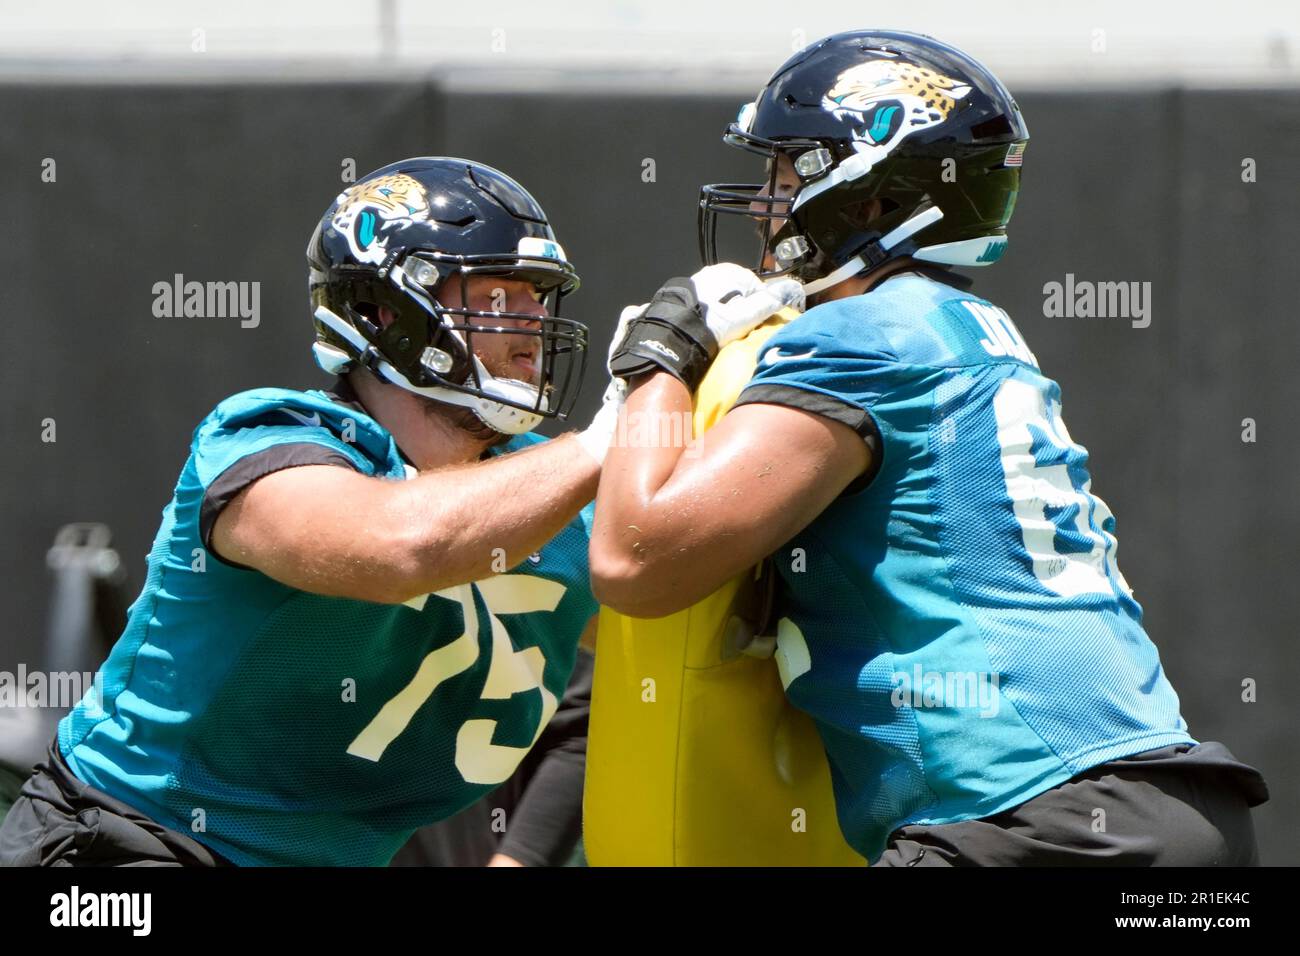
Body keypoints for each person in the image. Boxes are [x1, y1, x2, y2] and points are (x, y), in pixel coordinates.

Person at [590, 30, 1268, 866]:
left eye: (788, 171)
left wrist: (656, 362)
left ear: (868, 196)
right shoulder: (966, 332)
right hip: (1161, 809)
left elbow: (634, 561)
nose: (767, 202)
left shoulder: (860, 336)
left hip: (1031, 822)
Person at [0, 157, 617, 866]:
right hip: (133, 845)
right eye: (503, 293)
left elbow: (662, 644)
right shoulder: (264, 438)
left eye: (540, 295)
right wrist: (610, 441)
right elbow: (398, 546)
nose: (535, 321)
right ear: (386, 311)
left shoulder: (551, 496)